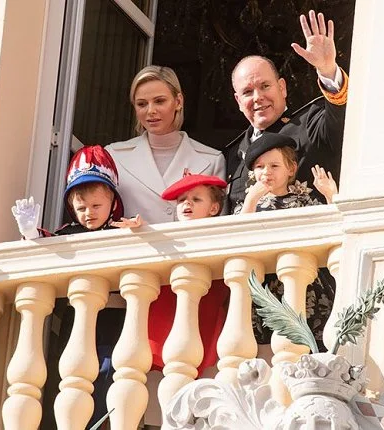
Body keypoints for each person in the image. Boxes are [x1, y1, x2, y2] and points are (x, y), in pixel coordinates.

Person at [11, 145, 140, 429]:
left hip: (113, 319)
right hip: (75, 320)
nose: (89, 214)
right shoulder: (67, 235)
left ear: (113, 203)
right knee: (70, 372)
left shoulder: (122, 232)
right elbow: (48, 250)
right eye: (81, 208)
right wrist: (31, 234)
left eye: (96, 206)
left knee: (109, 371)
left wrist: (139, 234)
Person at [225, 10, 348, 213]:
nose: (257, 97)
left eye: (265, 86)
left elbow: (341, 119)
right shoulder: (232, 154)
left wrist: (327, 70)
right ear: (238, 100)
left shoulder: (311, 122)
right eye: (247, 92)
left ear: (282, 88)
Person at [239, 133, 338, 348]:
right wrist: (252, 200)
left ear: (291, 169)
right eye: (260, 166)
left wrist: (330, 196)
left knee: (305, 346)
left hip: (305, 285)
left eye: (274, 166)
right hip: (266, 286)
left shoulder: (304, 200)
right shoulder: (249, 205)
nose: (266, 172)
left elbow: (329, 230)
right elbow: (238, 236)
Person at [106, 65, 226, 224]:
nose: (150, 111)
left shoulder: (212, 160)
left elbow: (219, 229)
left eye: (159, 101)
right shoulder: (113, 156)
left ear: (178, 101)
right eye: (142, 104)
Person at [148, 172, 230, 375]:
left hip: (206, 306)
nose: (187, 204)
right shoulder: (165, 236)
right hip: (168, 308)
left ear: (214, 208)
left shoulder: (222, 235)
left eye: (196, 199)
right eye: (182, 199)